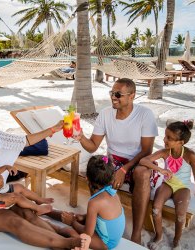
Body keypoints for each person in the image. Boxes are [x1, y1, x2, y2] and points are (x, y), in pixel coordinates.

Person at [0, 90, 90, 249]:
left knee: (27, 213)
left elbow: (24, 141)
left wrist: (53, 129)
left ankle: (59, 235)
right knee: (15, 222)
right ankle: (68, 244)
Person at [74, 78, 158, 244]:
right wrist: (81, 136)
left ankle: (136, 233)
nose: (113, 97)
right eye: (112, 93)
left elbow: (147, 151)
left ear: (132, 96)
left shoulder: (144, 114)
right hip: (114, 160)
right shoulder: (106, 114)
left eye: (118, 94)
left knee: (142, 173)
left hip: (137, 160)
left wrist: (125, 169)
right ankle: (100, 219)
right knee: (95, 171)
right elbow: (92, 147)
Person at [139, 120, 195, 249]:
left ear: (181, 142)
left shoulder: (190, 155)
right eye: (165, 136)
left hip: (182, 187)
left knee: (181, 214)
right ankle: (159, 236)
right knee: (156, 207)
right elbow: (144, 160)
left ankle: (176, 241)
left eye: (169, 138)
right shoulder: (165, 152)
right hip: (167, 184)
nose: (165, 140)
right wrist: (161, 170)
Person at [57, 155, 125, 249]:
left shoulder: (94, 202)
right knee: (78, 221)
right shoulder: (113, 192)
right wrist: (84, 217)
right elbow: (103, 215)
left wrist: (72, 222)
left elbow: (87, 233)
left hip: (106, 243)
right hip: (115, 237)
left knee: (69, 233)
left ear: (87, 178)